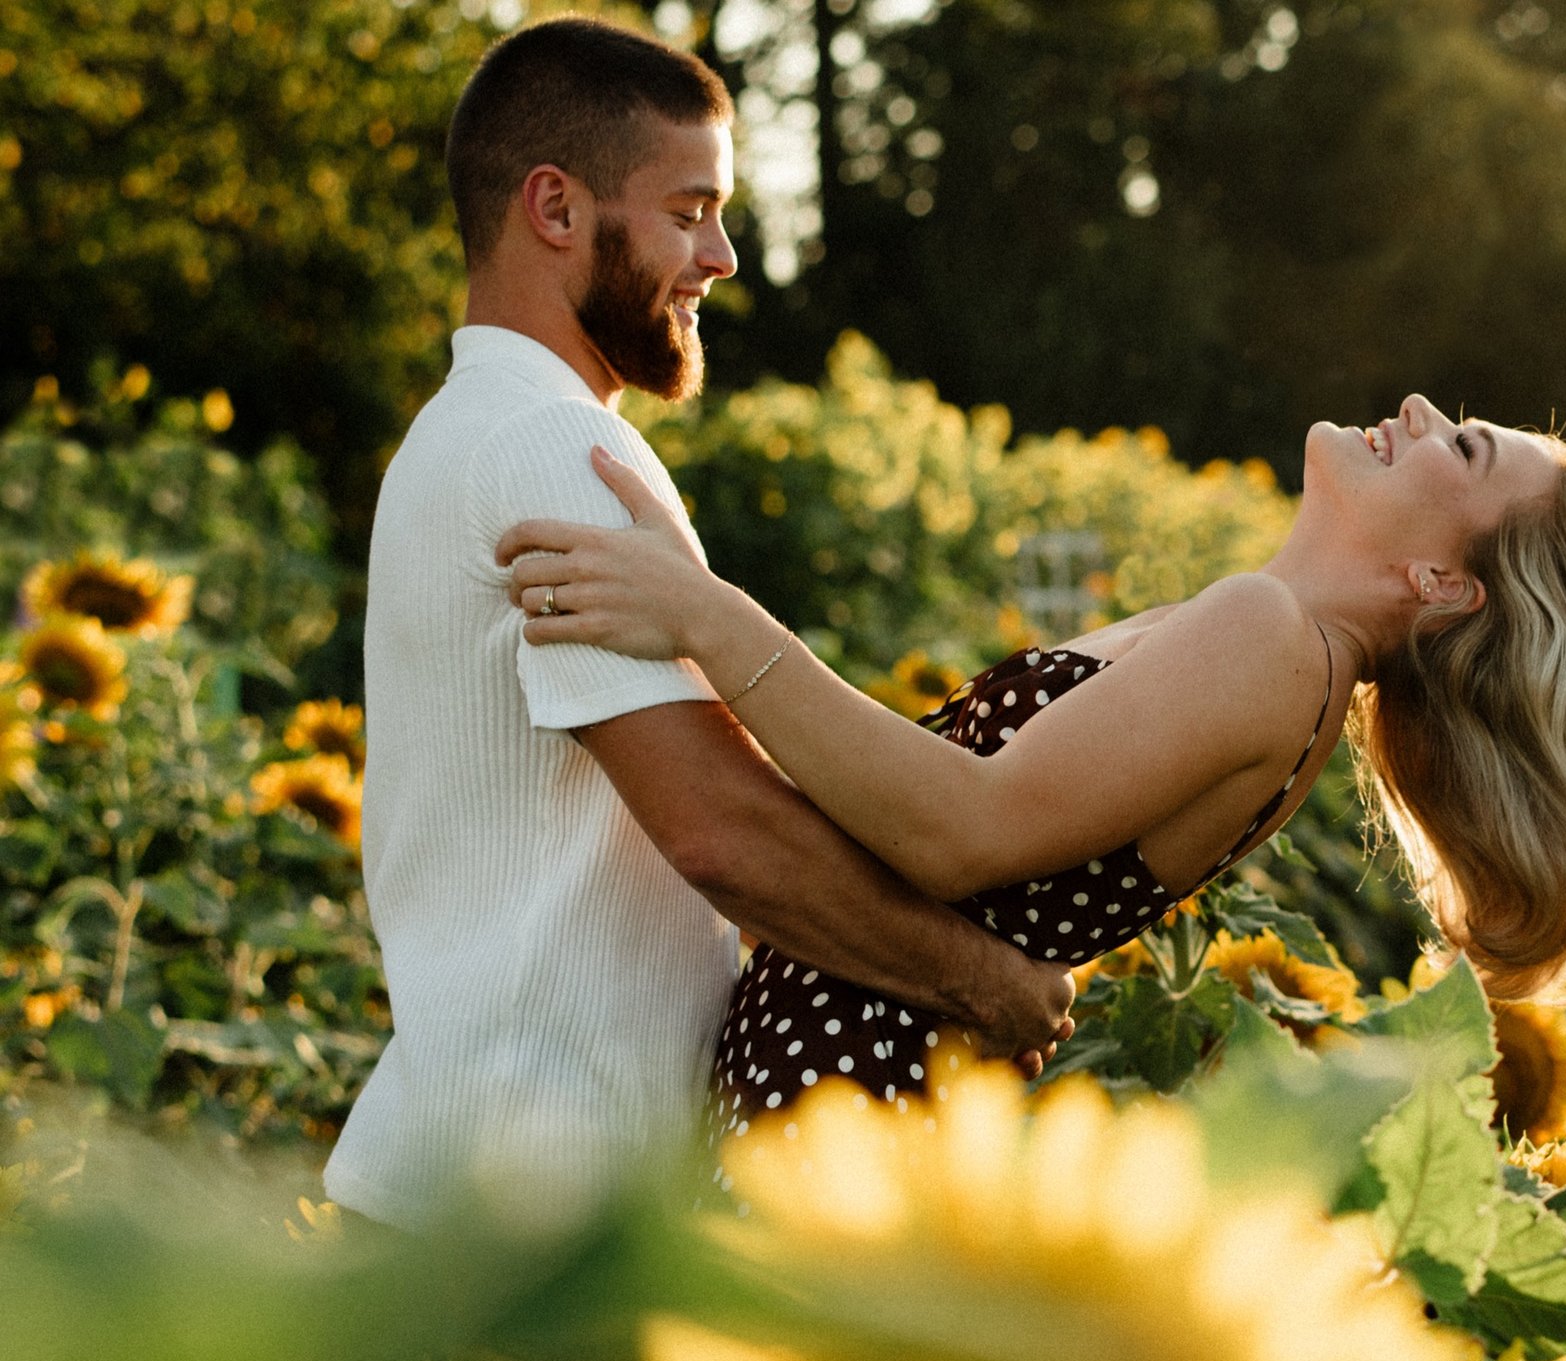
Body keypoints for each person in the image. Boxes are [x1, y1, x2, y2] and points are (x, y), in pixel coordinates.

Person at [497, 396, 1566, 1146]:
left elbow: (958, 830)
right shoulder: (1281, 656)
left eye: (1462, 446)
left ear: (1443, 581)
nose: (1418, 407)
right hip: (862, 1084)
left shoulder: (1273, 640)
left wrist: (702, 613)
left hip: (853, 1096)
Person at [323, 17, 1072, 1233]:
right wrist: (980, 980)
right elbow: (719, 829)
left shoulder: (472, 433)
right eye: (688, 210)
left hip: (472, 1182)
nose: (721, 256)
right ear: (555, 210)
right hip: (526, 1218)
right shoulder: (546, 446)